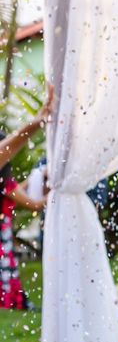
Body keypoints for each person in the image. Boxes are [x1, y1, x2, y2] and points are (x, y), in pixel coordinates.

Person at [0, 85, 54, 311]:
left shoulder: (6, 185)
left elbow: (18, 192)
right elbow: (33, 204)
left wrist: (39, 178)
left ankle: (16, 302)